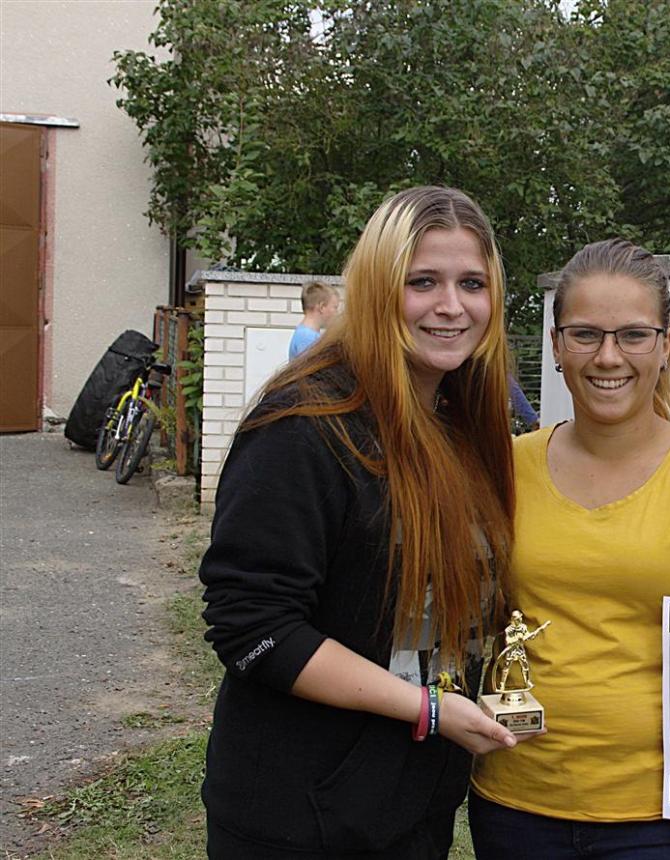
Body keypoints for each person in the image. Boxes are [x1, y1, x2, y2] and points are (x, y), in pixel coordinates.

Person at [199, 186, 531, 859]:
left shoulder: (461, 424)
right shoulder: (304, 424)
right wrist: (426, 709)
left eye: (472, 283)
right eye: (423, 282)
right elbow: (252, 627)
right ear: (379, 288)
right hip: (302, 818)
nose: (451, 305)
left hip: (412, 807)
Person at [469, 238, 670, 860]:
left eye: (634, 335)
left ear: (666, 344)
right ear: (556, 346)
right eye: (585, 334)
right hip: (513, 805)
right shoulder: (502, 469)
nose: (608, 356)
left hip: (659, 820)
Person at [288, 280, 340, 359]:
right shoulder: (307, 338)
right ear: (322, 307)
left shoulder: (308, 335)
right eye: (335, 307)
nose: (337, 312)